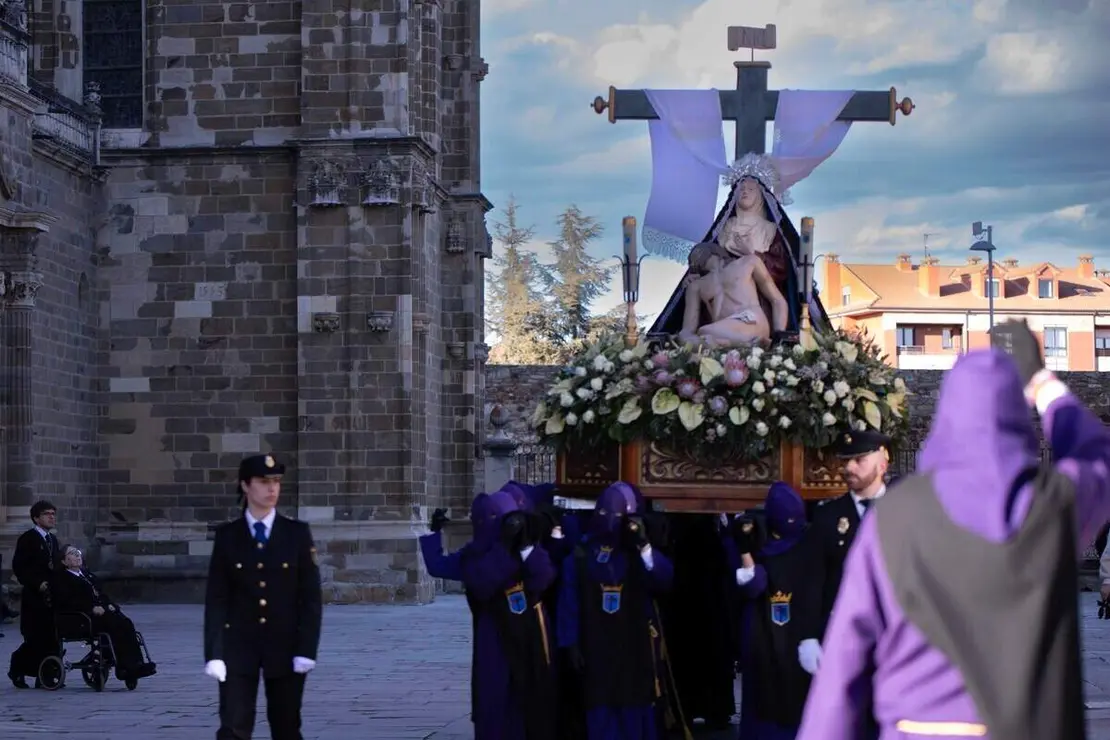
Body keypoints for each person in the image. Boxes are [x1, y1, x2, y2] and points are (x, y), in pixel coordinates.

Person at [797, 321, 1110, 739]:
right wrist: (1042, 383)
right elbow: (1099, 456)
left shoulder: (894, 515)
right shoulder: (1051, 506)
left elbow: (845, 662)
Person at [203, 454, 323, 740]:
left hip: (284, 644)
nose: (272, 489)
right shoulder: (228, 536)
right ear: (246, 486)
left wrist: (306, 649)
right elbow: (217, 598)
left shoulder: (296, 534)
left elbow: (310, 598)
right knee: (233, 727)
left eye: (276, 482)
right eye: (263, 482)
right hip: (238, 645)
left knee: (286, 726)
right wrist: (214, 653)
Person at [557, 482, 675, 740]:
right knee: (600, 710)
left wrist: (644, 547)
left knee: (635, 712)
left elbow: (663, 580)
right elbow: (569, 600)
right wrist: (570, 643)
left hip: (634, 647)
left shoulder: (639, 552)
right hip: (595, 644)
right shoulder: (581, 553)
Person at [459, 490, 559, 740]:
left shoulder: (531, 549)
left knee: (531, 695)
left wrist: (524, 546)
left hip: (530, 632)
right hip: (495, 631)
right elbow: (481, 584)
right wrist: (504, 548)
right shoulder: (477, 554)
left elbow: (543, 577)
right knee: (495, 694)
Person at [729, 482, 820, 740]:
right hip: (802, 635)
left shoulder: (760, 546)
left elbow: (752, 586)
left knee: (764, 701)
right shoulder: (813, 544)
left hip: (764, 636)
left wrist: (745, 550)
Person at [807, 428, 892, 646]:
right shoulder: (827, 515)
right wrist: (810, 637)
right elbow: (812, 582)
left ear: (882, 465)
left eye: (859, 460)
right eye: (846, 461)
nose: (849, 468)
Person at [51, 545, 156, 681]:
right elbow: (67, 601)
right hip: (80, 618)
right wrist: (91, 608)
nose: (77, 555)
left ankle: (136, 664)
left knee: (125, 623)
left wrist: (110, 605)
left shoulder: (87, 575)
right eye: (72, 553)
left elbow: (102, 595)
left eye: (78, 552)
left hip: (100, 614)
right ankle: (126, 667)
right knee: (115, 626)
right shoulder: (62, 579)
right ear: (64, 561)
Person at [679, 241, 788, 346]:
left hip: (751, 322)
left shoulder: (748, 262)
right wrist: (684, 337)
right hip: (721, 333)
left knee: (704, 331)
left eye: (699, 250)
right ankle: (742, 345)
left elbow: (777, 300)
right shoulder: (695, 286)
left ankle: (742, 343)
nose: (696, 254)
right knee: (687, 337)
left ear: (714, 250)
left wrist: (779, 339)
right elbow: (688, 329)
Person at [8, 500, 61, 689]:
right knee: (35, 638)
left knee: (53, 637)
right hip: (34, 597)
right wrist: (37, 583)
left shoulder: (52, 540)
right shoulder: (28, 539)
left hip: (52, 597)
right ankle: (18, 669)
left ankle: (46, 674)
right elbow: (20, 567)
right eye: (47, 514)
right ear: (36, 518)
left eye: (53, 514)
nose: (52, 517)